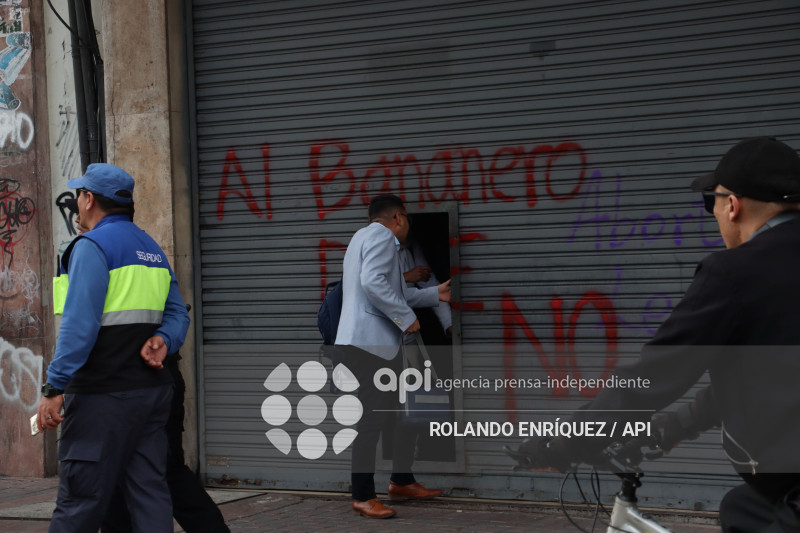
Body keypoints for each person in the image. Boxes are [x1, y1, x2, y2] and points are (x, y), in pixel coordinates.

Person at [508, 137, 800, 532]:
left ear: (732, 205)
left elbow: (653, 376)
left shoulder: (736, 273)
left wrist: (565, 443)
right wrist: (674, 426)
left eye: (710, 200)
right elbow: (764, 374)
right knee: (743, 510)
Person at [37, 163, 190, 533]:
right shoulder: (151, 248)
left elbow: (79, 326)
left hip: (102, 398)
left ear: (88, 199)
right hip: (152, 393)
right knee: (150, 493)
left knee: (80, 499)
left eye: (79, 196)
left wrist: (53, 387)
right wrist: (164, 340)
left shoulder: (91, 247)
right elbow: (177, 314)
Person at [335, 194, 452, 518]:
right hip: (370, 344)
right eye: (408, 220)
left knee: (410, 405)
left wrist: (436, 293)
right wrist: (405, 317)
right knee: (374, 417)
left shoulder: (362, 237)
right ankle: (362, 495)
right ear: (399, 217)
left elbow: (390, 288)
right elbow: (373, 284)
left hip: (370, 343)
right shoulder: (382, 236)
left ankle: (402, 480)